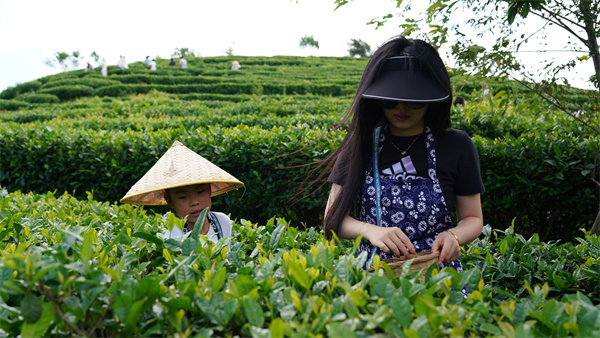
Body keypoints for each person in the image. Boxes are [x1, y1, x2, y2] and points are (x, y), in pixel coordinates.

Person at [323, 35, 484, 286]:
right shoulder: (360, 144)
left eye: (413, 100)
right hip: (372, 274)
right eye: (390, 99)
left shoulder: (457, 146)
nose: (401, 107)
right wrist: (371, 231)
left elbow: (473, 218)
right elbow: (332, 218)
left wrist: (453, 236)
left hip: (436, 273)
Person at [120, 141, 244, 247]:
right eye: (183, 197)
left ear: (210, 190)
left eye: (200, 192)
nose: (194, 202)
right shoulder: (171, 236)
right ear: (170, 201)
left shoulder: (222, 222)